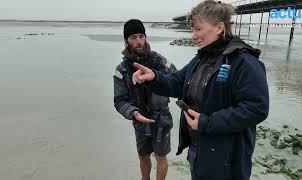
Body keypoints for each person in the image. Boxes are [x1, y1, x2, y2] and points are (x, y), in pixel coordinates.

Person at [131, 1, 269, 180]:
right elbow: (176, 83)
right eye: (192, 30)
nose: (193, 35)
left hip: (227, 160)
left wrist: (208, 122)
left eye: (198, 29)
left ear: (219, 27)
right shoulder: (200, 60)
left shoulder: (244, 63)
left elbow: (257, 108)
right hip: (199, 150)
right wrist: (155, 78)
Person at [113, 19, 177, 180]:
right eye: (133, 37)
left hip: (161, 120)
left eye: (141, 36)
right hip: (140, 121)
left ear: (146, 37)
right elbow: (120, 100)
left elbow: (178, 83)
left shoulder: (161, 61)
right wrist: (133, 113)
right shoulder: (122, 70)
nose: (139, 41)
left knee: (161, 157)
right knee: (143, 156)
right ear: (126, 40)